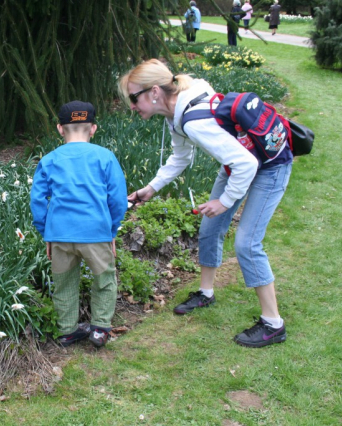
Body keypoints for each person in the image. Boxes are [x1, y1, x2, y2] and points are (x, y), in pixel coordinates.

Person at [118, 59, 292, 348]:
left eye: (134, 99)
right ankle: (206, 293)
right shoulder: (177, 111)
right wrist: (151, 188)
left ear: (154, 93)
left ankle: (273, 324)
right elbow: (181, 158)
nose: (132, 107)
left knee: (247, 243)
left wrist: (224, 202)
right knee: (210, 228)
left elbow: (246, 165)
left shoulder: (194, 121)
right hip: (237, 163)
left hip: (269, 166)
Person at [30, 101, 128, 348]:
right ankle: (100, 329)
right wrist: (112, 230)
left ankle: (66, 332)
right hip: (96, 234)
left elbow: (38, 201)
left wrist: (46, 233)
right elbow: (117, 199)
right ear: (93, 128)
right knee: (104, 280)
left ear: (60, 129)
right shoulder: (105, 157)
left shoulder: (50, 160)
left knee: (63, 284)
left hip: (60, 235)